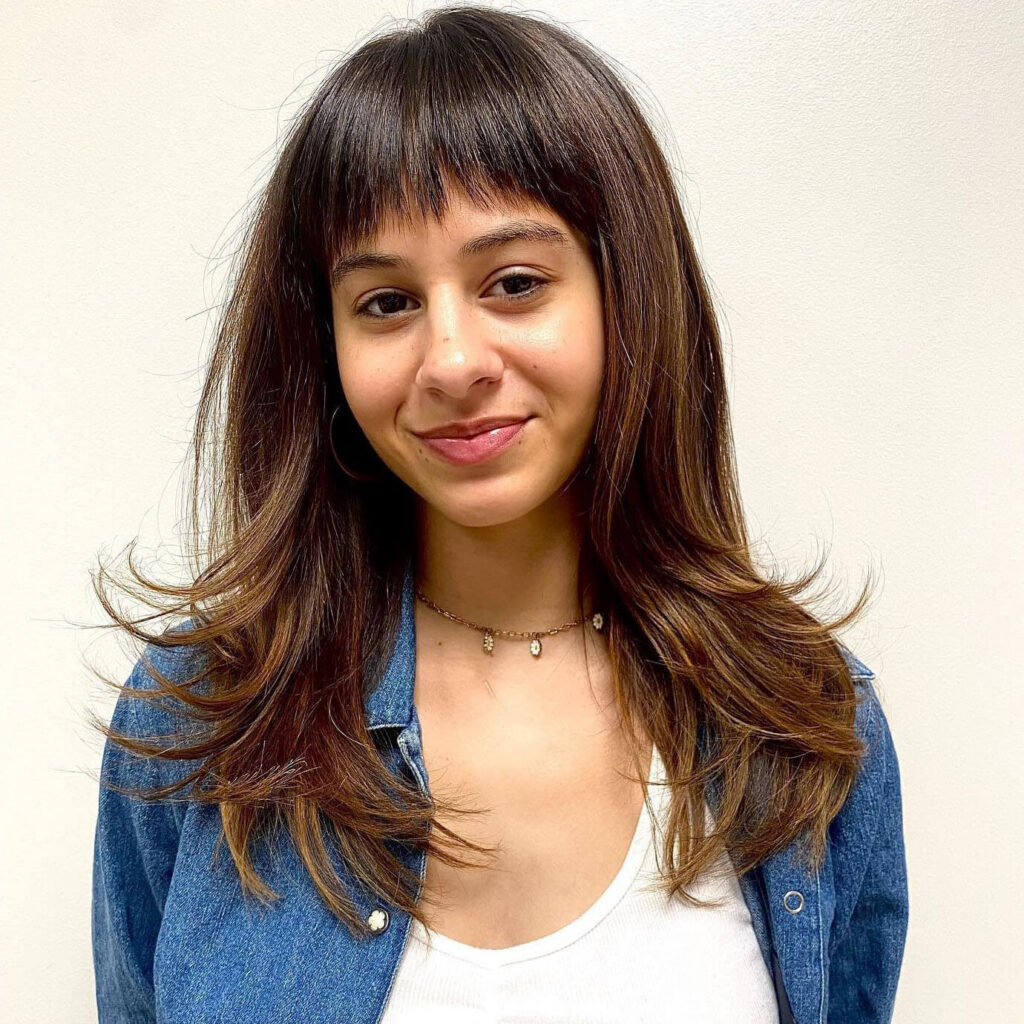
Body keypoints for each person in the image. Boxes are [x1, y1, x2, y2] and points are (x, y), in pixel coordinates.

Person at [89, 6, 908, 1023]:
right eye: (384, 302)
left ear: (627, 296)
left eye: (514, 283)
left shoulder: (804, 729)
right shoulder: (198, 719)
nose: (453, 361)